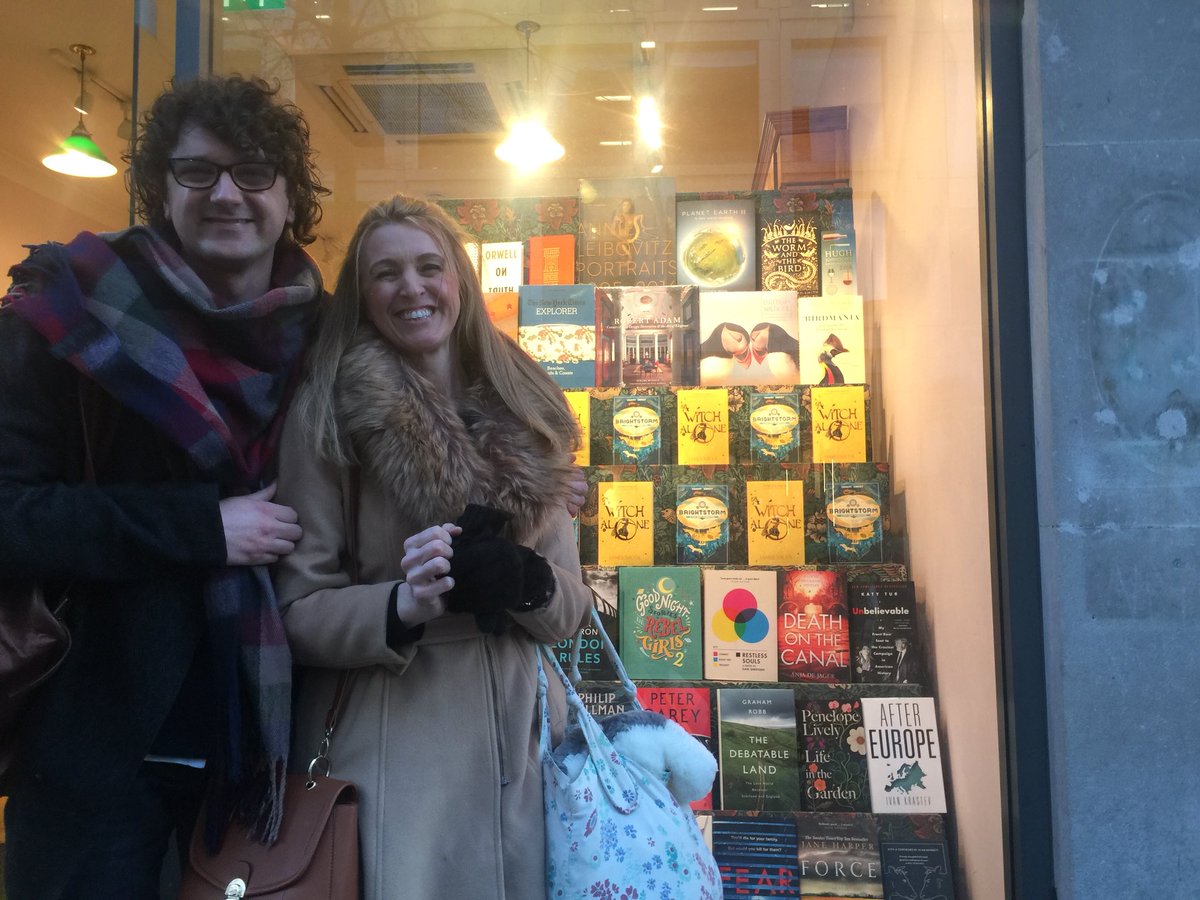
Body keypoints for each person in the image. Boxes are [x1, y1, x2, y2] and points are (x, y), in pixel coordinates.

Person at [0, 75, 327, 899]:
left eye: (253, 172)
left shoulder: (330, 341)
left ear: (290, 197)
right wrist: (199, 527)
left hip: (275, 753)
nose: (226, 194)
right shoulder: (60, 318)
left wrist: (539, 477)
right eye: (196, 173)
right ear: (160, 189)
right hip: (89, 749)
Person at [273, 194, 592, 899]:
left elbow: (568, 609)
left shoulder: (530, 410)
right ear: (362, 294)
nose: (411, 288)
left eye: (429, 267)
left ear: (460, 281)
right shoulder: (328, 416)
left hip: (523, 741)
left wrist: (525, 583)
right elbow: (297, 610)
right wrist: (403, 603)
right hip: (394, 743)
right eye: (386, 273)